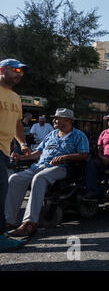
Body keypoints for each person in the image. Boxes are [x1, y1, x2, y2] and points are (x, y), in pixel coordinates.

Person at [5, 108, 89, 238]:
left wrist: (66, 157)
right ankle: (8, 221)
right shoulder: (52, 134)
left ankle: (29, 223)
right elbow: (37, 153)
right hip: (39, 166)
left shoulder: (79, 135)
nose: (54, 120)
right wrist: (22, 157)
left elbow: (84, 155)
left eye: (57, 118)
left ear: (67, 120)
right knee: (15, 178)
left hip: (62, 167)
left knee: (39, 178)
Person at [0, 59, 31, 252]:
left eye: (21, 71)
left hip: (3, 151)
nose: (19, 73)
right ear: (2, 70)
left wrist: (23, 144)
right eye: (15, 69)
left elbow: (18, 124)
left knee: (1, 193)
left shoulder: (16, 98)